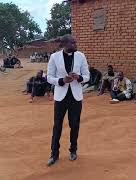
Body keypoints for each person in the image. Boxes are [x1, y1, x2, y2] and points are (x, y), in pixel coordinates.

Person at [46, 34, 90, 166]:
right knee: (57, 125)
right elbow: (49, 77)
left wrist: (79, 77)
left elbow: (87, 75)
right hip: (60, 97)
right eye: (73, 43)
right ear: (65, 44)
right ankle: (54, 154)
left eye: (75, 42)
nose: (75, 45)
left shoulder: (81, 56)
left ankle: (73, 150)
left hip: (76, 97)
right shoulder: (54, 57)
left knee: (74, 125)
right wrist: (61, 81)